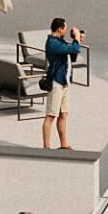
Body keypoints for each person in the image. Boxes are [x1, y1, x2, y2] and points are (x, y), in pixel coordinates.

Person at [41, 18, 85, 151]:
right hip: (56, 82)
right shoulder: (52, 43)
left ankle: (64, 144)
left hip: (64, 82)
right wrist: (76, 39)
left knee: (63, 114)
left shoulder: (60, 41)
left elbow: (73, 53)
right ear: (60, 29)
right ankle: (46, 148)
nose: (66, 31)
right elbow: (73, 48)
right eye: (65, 28)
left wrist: (78, 40)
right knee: (50, 116)